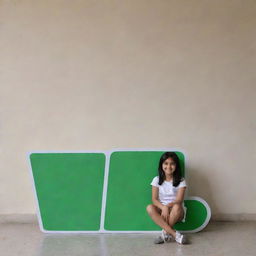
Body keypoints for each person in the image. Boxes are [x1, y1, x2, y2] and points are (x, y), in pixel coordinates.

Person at [146, 152, 187, 244]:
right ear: (161, 165)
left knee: (176, 206)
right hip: (162, 211)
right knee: (149, 207)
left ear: (176, 166)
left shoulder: (181, 180)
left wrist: (168, 206)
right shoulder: (156, 180)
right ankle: (175, 234)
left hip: (176, 211)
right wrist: (163, 207)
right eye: (166, 163)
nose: (169, 166)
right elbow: (154, 199)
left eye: (172, 164)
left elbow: (179, 200)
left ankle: (164, 234)